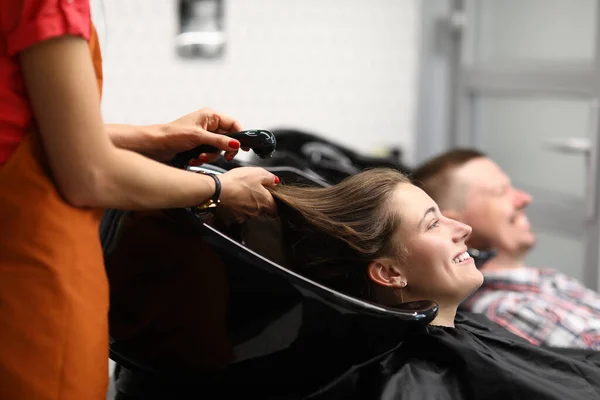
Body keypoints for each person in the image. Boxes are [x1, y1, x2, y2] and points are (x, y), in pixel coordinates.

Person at [0, 1, 278, 399]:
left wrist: (160, 136)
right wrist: (219, 192)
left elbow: (36, 132)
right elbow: (89, 172)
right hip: (32, 276)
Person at [269, 168, 600, 400]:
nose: (462, 229)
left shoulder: (472, 331)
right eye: (433, 224)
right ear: (389, 273)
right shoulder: (410, 382)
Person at [410, 149, 600, 350]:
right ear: (455, 224)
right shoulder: (502, 311)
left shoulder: (548, 280)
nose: (525, 198)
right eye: (500, 191)